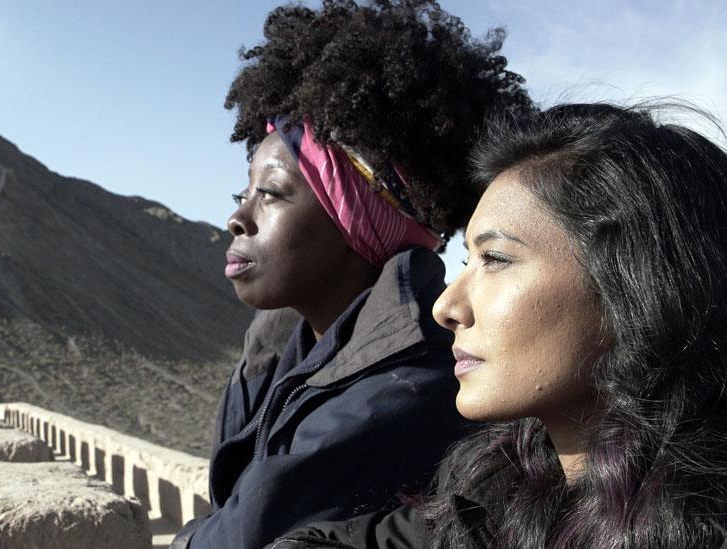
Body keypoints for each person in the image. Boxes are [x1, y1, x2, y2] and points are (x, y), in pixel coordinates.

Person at [269, 103, 727, 548]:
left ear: (638, 285)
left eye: (496, 259)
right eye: (467, 260)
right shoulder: (494, 490)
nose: (446, 306)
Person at [170, 2, 532, 548]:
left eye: (268, 194)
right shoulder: (274, 350)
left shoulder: (407, 389)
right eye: (241, 193)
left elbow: (240, 535)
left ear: (352, 225)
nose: (237, 217)